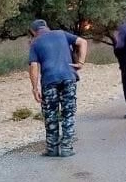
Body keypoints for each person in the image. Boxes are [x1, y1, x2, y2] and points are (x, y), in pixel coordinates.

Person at [27, 19, 88, 157]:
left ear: (33, 31)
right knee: (68, 113)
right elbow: (83, 42)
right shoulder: (61, 34)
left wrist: (35, 88)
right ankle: (67, 148)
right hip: (68, 76)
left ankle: (52, 148)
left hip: (49, 81)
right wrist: (80, 62)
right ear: (47, 27)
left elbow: (34, 66)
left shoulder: (35, 43)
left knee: (50, 115)